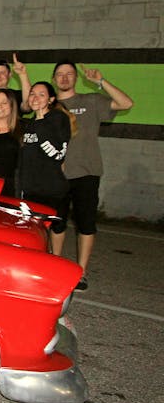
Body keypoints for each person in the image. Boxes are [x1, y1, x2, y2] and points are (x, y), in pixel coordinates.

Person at [49, 60, 134, 291]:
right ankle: (54, 266)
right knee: (57, 224)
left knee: (86, 224)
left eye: (69, 74)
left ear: (76, 78)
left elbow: (126, 103)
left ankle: (81, 273)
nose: (64, 78)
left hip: (87, 173)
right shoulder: (50, 106)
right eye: (60, 74)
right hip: (58, 175)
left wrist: (101, 82)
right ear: (53, 79)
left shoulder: (91, 101)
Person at [18, 81, 71, 221]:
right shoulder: (30, 123)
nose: (35, 98)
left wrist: (41, 123)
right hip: (30, 190)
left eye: (41, 95)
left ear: (50, 99)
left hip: (50, 190)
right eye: (32, 94)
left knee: (52, 229)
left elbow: (57, 154)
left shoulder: (58, 118)